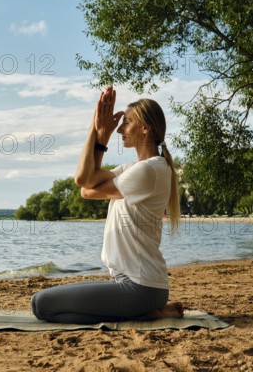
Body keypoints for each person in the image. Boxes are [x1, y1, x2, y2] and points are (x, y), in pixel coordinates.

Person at [31, 86, 183, 323]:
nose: (120, 129)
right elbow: (86, 190)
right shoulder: (132, 169)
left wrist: (96, 130)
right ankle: (149, 312)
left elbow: (82, 179)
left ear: (145, 128)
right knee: (41, 305)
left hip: (141, 286)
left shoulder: (149, 170)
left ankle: (146, 313)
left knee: (42, 305)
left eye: (127, 123)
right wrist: (100, 136)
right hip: (136, 285)